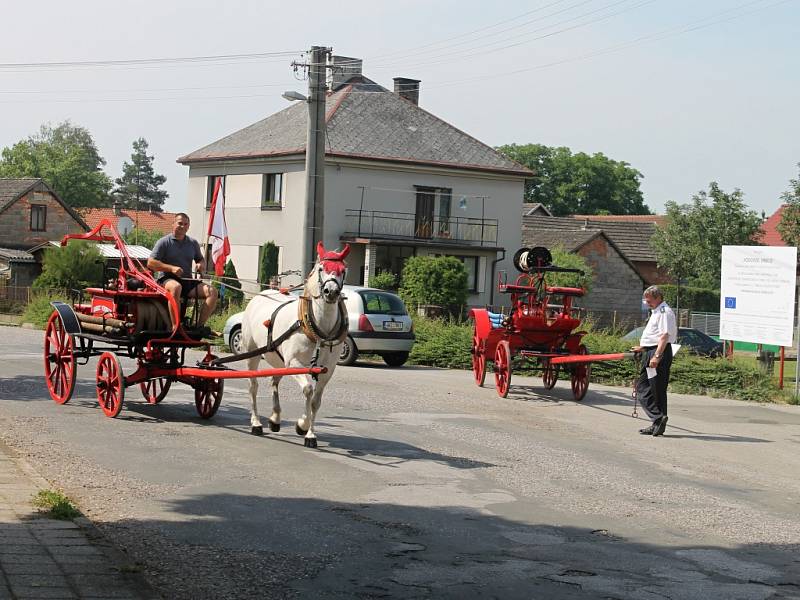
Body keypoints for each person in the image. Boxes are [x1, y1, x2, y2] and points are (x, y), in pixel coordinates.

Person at [147, 213, 218, 329]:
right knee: (176, 287)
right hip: (166, 280)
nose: (183, 226)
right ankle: (176, 326)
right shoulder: (164, 242)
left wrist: (201, 265)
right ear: (173, 224)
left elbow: (200, 259)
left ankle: (198, 326)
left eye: (186, 224)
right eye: (180, 223)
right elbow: (151, 263)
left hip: (187, 281)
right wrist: (171, 268)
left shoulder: (193, 243)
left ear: (188, 226)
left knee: (212, 292)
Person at [632, 285, 677, 437]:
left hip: (658, 352)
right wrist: (643, 347)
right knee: (649, 388)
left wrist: (656, 356)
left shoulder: (664, 312)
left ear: (658, 298)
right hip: (651, 351)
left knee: (650, 388)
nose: (647, 303)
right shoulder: (657, 311)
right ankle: (657, 422)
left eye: (649, 300)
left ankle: (658, 419)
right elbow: (655, 335)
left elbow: (664, 336)